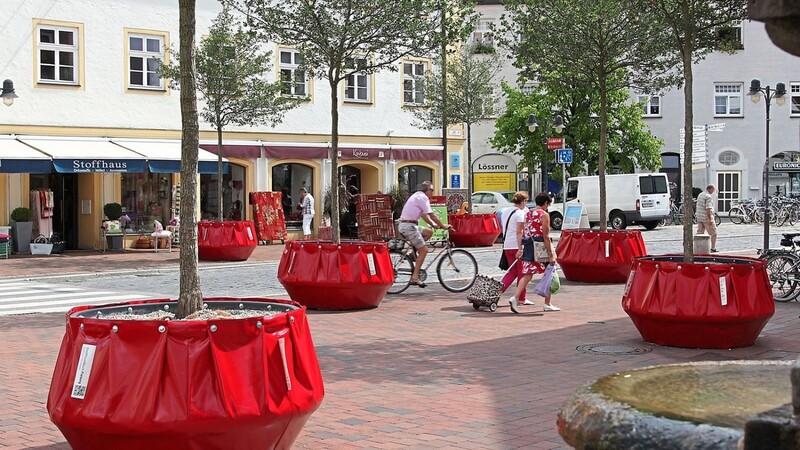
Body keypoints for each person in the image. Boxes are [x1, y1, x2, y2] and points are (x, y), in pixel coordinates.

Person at [509, 192, 559, 314]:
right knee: (550, 272)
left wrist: (521, 248)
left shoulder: (528, 213)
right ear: (546, 203)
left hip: (529, 246)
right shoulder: (544, 215)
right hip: (541, 247)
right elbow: (546, 236)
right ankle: (547, 303)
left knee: (527, 275)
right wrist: (551, 254)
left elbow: (525, 231)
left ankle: (515, 297)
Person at [397, 181, 453, 287]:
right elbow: (432, 215)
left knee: (428, 232)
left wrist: (433, 225)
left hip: (409, 225)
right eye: (431, 190)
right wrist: (444, 226)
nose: (432, 193)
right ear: (427, 190)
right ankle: (414, 277)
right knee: (424, 250)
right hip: (409, 227)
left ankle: (412, 255)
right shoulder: (423, 198)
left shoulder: (417, 196)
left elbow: (423, 215)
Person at [499, 192, 534, 306]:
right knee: (522, 273)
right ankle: (521, 298)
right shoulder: (520, 214)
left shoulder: (505, 212)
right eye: (526, 201)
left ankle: (496, 292)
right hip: (516, 246)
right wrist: (521, 248)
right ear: (523, 201)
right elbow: (520, 232)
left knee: (512, 272)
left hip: (507, 245)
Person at [695, 184, 718, 252]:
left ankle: (699, 249)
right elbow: (708, 209)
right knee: (714, 233)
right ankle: (713, 248)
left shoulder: (700, 194)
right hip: (706, 218)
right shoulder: (708, 197)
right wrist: (710, 218)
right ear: (710, 189)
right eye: (713, 189)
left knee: (700, 233)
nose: (714, 191)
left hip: (699, 217)